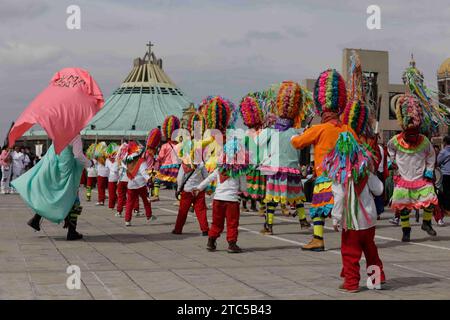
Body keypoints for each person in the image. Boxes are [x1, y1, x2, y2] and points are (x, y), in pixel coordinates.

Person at [291, 69, 349, 251]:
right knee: (346, 210)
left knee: (318, 208)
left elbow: (298, 143)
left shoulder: (320, 128)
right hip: (345, 178)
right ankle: (349, 240)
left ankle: (318, 239)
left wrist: (295, 135)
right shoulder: (347, 129)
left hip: (325, 177)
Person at [324, 132, 386, 293]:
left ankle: (351, 283)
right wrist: (372, 173)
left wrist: (336, 218)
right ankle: (376, 279)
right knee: (370, 249)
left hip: (351, 221)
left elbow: (338, 199)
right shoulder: (366, 173)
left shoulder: (339, 176)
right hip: (369, 220)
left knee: (350, 252)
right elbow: (379, 190)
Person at [259, 81, 309, 236]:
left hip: (275, 170)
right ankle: (303, 220)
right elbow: (303, 147)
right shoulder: (297, 131)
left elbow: (259, 144)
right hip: (292, 168)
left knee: (271, 198)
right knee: (296, 196)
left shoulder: (271, 131)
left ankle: (269, 225)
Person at [387, 94, 438, 242]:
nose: (412, 137)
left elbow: (431, 156)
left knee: (431, 199)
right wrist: (391, 162)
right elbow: (390, 149)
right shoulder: (395, 141)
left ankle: (427, 223)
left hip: (421, 179)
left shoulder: (424, 141)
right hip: (403, 179)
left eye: (414, 134)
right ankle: (406, 230)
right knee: (402, 207)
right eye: (409, 135)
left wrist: (429, 171)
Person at [194, 139, 250, 253]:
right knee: (232, 223)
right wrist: (243, 191)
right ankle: (232, 243)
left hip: (218, 199)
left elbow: (209, 178)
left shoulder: (220, 169)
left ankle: (211, 241)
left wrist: (199, 187)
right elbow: (243, 188)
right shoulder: (240, 171)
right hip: (232, 201)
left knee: (216, 222)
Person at [123, 141, 155, 226]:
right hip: (141, 185)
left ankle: (127, 220)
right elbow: (144, 173)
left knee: (129, 203)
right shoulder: (141, 161)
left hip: (131, 185)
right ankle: (149, 216)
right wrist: (149, 180)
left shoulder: (128, 162)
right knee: (146, 200)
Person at [151, 115, 181, 202]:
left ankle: (156, 195)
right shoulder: (179, 145)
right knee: (177, 183)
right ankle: (179, 199)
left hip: (165, 167)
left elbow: (160, 157)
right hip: (176, 167)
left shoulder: (164, 146)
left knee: (157, 180)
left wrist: (156, 162)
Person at [437, 135, 450, 217]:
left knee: (446, 191)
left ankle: (446, 209)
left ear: (445, 142)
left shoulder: (444, 151)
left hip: (446, 174)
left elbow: (438, 161)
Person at [105, 143, 119, 211]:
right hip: (110, 179)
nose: (111, 158)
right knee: (111, 193)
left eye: (112, 156)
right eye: (110, 156)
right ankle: (111, 206)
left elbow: (116, 169)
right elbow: (106, 169)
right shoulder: (107, 161)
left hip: (118, 179)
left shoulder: (117, 161)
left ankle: (121, 204)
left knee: (120, 193)